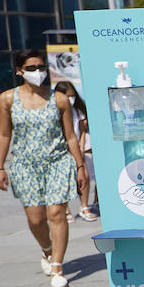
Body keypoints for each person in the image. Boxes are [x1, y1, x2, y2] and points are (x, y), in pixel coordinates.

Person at [0, 50, 88, 287]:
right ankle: (47, 250)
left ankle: (58, 266)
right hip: (25, 165)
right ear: (19, 71)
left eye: (40, 67)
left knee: (57, 213)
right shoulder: (7, 99)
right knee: (35, 218)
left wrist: (80, 165)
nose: (38, 72)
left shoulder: (58, 99)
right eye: (31, 68)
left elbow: (70, 136)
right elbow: (4, 134)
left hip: (57, 162)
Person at [54, 81, 98, 222]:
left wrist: (81, 146)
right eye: (67, 96)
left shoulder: (78, 110)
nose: (70, 99)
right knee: (65, 180)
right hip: (62, 150)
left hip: (78, 148)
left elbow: (80, 131)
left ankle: (84, 206)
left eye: (72, 96)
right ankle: (65, 209)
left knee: (83, 176)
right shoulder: (55, 112)